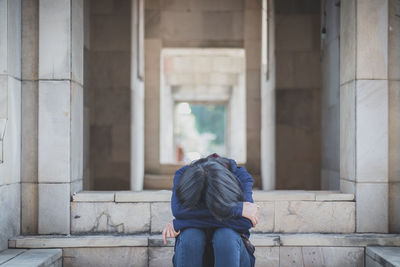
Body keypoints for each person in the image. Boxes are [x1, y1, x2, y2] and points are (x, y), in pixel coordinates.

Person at [162, 153, 260, 267]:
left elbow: (246, 222)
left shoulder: (240, 175)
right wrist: (236, 209)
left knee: (225, 236)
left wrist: (181, 223)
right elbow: (178, 211)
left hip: (233, 255)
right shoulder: (183, 175)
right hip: (192, 254)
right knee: (191, 236)